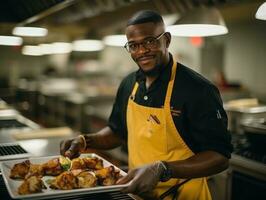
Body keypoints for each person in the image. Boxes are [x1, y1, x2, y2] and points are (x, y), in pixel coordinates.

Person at [60, 10, 233, 200]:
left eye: (149, 41)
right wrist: (86, 141)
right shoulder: (129, 84)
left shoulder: (198, 89)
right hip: (138, 194)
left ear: (166, 40)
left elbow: (219, 157)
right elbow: (117, 132)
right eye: (133, 45)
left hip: (184, 195)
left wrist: (163, 169)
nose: (141, 51)